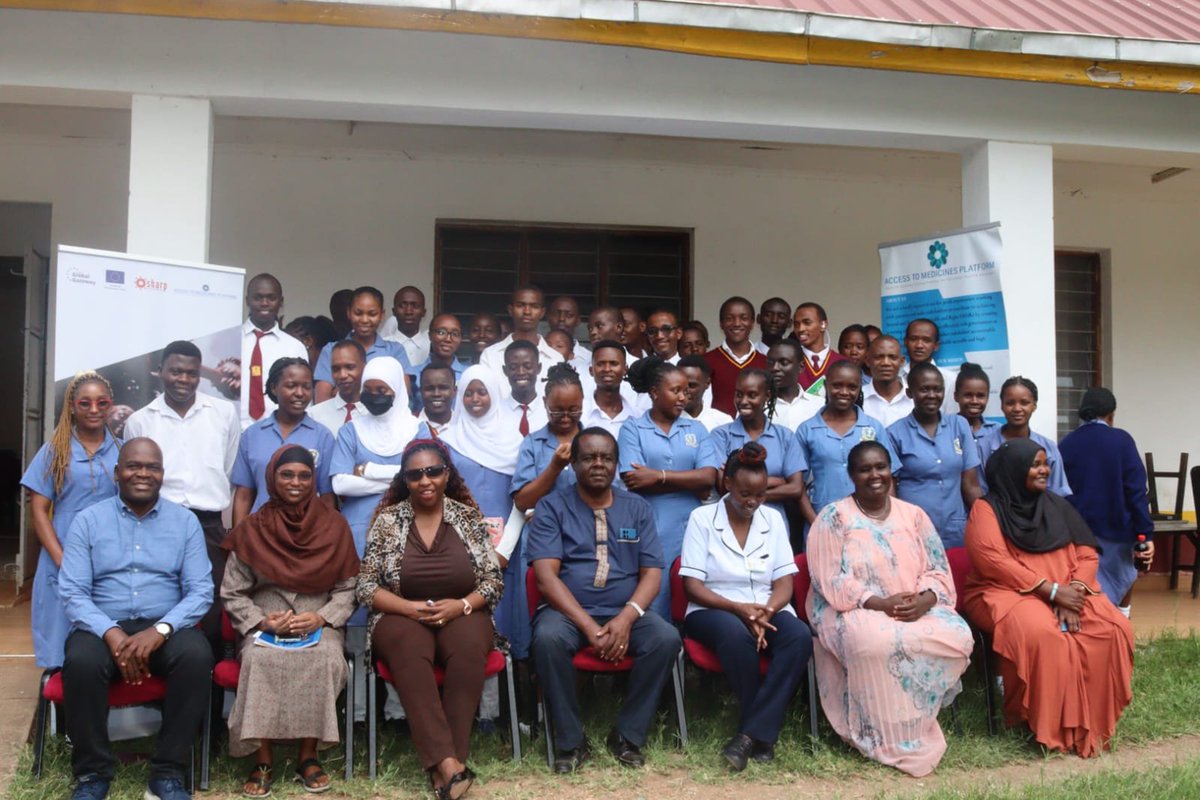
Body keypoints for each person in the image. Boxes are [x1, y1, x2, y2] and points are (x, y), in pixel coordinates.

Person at [806, 440, 973, 777]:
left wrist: (926, 599)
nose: (874, 475)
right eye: (865, 469)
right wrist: (879, 602)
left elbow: (938, 568)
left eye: (880, 467)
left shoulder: (913, 515)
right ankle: (881, 734)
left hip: (914, 604)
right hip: (852, 608)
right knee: (875, 642)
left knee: (958, 635)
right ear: (852, 475)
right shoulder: (834, 518)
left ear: (891, 469)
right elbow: (828, 578)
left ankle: (914, 721)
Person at [58, 438, 213, 800]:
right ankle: (92, 774)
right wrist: (110, 632)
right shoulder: (88, 521)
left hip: (163, 627)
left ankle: (168, 773)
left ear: (162, 474)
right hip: (101, 626)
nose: (142, 473)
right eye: (133, 465)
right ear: (117, 472)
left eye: (152, 467)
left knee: (196, 655)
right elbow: (73, 592)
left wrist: (159, 631)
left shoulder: (185, 522)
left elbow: (200, 590)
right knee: (80, 661)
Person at [963, 439, 1134, 758]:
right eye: (1035, 464)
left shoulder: (1059, 505)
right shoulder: (986, 510)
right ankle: (1045, 727)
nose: (1045, 470)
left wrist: (1076, 591)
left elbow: (1087, 553)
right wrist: (1052, 593)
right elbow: (995, 563)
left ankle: (1093, 723)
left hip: (1071, 589)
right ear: (1014, 470)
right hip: (1005, 592)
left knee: (1112, 629)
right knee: (1047, 636)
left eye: (1046, 463)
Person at [527, 428, 681, 773]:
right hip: (566, 612)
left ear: (616, 463)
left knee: (665, 638)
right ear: (574, 464)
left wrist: (626, 618)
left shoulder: (637, 508)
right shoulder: (552, 506)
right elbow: (545, 577)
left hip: (625, 611)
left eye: (606, 458)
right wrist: (587, 625)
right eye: (589, 457)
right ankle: (570, 742)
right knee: (548, 639)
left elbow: (652, 574)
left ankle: (627, 735)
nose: (598, 464)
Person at [358, 439, 503, 800]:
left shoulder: (468, 517)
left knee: (469, 648)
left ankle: (444, 770)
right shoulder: (388, 521)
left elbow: (492, 580)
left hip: (463, 610)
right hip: (401, 613)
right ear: (404, 480)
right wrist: (408, 608)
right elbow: (365, 586)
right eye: (415, 474)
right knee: (408, 649)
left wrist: (460, 606)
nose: (425, 480)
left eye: (433, 471)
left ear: (446, 474)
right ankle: (451, 766)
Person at [221, 445, 360, 796]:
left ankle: (307, 756)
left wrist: (322, 617)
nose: (295, 482)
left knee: (325, 658)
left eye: (304, 475)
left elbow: (349, 588)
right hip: (266, 621)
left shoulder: (335, 525)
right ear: (272, 478)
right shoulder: (252, 528)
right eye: (287, 475)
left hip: (318, 621)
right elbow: (232, 592)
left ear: (314, 480)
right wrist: (261, 622)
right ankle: (263, 759)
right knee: (258, 657)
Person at [679, 443, 811, 771]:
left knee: (799, 636)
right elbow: (692, 586)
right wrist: (740, 610)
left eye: (761, 494)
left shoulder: (773, 520)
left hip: (767, 606)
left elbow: (784, 583)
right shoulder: (702, 518)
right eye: (745, 494)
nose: (753, 502)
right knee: (734, 634)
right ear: (727, 484)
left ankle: (750, 735)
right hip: (712, 608)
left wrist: (765, 611)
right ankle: (762, 734)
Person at [123, 341, 240, 657]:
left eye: (191, 373)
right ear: (160, 372)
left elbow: (227, 469)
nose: (183, 379)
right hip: (157, 523)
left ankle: (211, 684)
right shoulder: (141, 421)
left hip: (209, 525)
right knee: (161, 600)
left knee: (214, 603)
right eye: (175, 371)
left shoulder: (224, 413)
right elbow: (133, 479)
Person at [21, 371, 121, 669]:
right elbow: (39, 510)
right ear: (72, 406)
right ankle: (57, 704)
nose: (93, 410)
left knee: (103, 634)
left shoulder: (121, 449)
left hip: (107, 553)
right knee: (59, 635)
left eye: (101, 403)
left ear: (110, 405)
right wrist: (62, 560)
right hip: (62, 551)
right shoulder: (56, 449)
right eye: (85, 403)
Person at [618, 359, 720, 616]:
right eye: (676, 391)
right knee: (657, 590)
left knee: (694, 585)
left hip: (691, 524)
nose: (683, 397)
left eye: (686, 391)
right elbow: (634, 480)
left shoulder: (697, 429)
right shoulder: (633, 428)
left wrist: (658, 476)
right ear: (654, 393)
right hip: (649, 521)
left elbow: (708, 477)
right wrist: (688, 482)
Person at [440, 366, 525, 650]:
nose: (475, 399)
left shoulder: (515, 442)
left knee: (502, 612)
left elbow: (522, 499)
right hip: (456, 543)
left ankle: (505, 687)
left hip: (504, 546)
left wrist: (505, 549)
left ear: (495, 395)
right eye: (468, 393)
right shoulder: (447, 441)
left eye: (482, 392)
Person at [508, 364, 587, 659]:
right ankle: (534, 678)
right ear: (544, 404)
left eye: (573, 410)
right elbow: (522, 500)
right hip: (543, 541)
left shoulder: (593, 441)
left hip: (587, 539)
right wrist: (554, 467)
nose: (565, 418)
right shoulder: (533, 443)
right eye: (557, 411)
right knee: (539, 609)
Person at [1059, 387, 1155, 613]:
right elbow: (1136, 490)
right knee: (1122, 581)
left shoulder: (1066, 444)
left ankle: (1094, 632)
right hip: (1118, 533)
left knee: (1087, 588)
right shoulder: (1122, 441)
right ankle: (1121, 627)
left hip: (1077, 536)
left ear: (1082, 413)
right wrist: (1146, 533)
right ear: (1111, 415)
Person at [886, 362, 983, 549]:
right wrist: (895, 528)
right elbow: (890, 489)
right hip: (912, 531)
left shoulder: (959, 425)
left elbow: (971, 484)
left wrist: (985, 521)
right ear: (909, 393)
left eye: (937, 389)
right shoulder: (894, 433)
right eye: (924, 389)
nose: (932, 395)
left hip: (955, 531)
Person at [796, 361, 898, 529]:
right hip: (823, 521)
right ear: (825, 385)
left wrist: (887, 521)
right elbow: (798, 485)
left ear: (860, 388)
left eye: (852, 387)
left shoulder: (873, 427)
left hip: (870, 523)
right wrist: (816, 523)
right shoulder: (807, 430)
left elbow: (889, 479)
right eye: (837, 385)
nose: (844, 392)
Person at [232, 358, 335, 524]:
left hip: (305, 536)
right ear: (274, 387)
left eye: (306, 387)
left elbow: (327, 497)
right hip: (260, 533)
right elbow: (244, 495)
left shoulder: (322, 436)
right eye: (291, 385)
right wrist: (238, 541)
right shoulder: (252, 435)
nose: (300, 393)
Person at [710, 370, 808, 533]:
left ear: (767, 396)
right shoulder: (720, 435)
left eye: (752, 395)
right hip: (729, 526)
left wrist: (745, 492)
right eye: (739, 394)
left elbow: (796, 489)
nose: (743, 401)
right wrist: (777, 481)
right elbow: (725, 486)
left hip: (774, 528)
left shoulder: (784, 436)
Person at [976, 376, 1071, 496]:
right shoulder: (983, 446)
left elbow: (1058, 493)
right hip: (995, 513)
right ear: (1002, 406)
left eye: (1024, 403)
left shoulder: (1048, 447)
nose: (1017, 409)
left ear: (1034, 406)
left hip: (1040, 513)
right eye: (1010, 403)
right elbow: (981, 491)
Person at [314, 286, 411, 403]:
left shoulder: (395, 351)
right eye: (358, 313)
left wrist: (341, 392)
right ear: (348, 312)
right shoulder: (331, 350)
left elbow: (402, 397)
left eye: (372, 314)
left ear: (382, 315)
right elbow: (322, 402)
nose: (365, 319)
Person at [241, 274, 309, 428]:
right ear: (247, 301)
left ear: (281, 302)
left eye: (271, 298)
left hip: (279, 431)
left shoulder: (294, 346)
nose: (264, 303)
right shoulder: (230, 341)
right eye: (258, 298)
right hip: (235, 430)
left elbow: (303, 394)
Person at [478, 286, 564, 381]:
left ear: (542, 312)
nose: (527, 312)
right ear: (510, 310)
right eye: (520, 305)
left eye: (534, 306)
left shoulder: (556, 359)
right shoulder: (490, 355)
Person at [703, 297, 767, 416]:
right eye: (729, 318)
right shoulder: (706, 361)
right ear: (721, 324)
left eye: (743, 318)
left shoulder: (766, 363)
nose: (737, 323)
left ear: (752, 323)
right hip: (717, 432)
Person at [407, 314, 468, 409]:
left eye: (455, 334)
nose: (448, 339)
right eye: (441, 332)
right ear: (430, 335)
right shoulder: (412, 375)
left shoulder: (469, 375)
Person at [581, 340, 639, 436]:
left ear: (625, 369)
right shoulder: (580, 414)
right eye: (600, 364)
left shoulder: (636, 416)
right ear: (591, 370)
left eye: (614, 363)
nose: (607, 369)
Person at [309, 339, 367, 435]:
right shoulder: (314, 416)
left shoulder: (376, 414)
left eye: (350, 367)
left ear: (365, 367)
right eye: (336, 369)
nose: (342, 375)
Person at [953, 362, 999, 484]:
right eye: (968, 395)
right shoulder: (947, 429)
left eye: (980, 396)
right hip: (957, 502)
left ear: (988, 397)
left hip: (992, 501)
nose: (974, 401)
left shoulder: (998, 431)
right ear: (956, 396)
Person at [901, 319, 957, 416]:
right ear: (905, 342)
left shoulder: (950, 379)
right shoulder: (897, 376)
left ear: (936, 346)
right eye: (913, 339)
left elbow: (951, 419)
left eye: (926, 340)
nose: (919, 345)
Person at [792, 302, 847, 396]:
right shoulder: (791, 362)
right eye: (797, 324)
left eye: (807, 323)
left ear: (823, 325)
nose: (800, 329)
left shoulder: (843, 363)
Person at [765, 340, 820, 432]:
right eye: (770, 363)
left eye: (784, 363)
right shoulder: (757, 406)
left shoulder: (819, 406)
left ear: (801, 367)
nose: (775, 368)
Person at [861, 335, 912, 427]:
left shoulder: (915, 399)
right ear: (868, 361)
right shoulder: (857, 399)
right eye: (878, 357)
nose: (886, 363)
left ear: (901, 361)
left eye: (892, 357)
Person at [503, 340, 548, 434]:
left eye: (527, 366)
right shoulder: (497, 412)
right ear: (505, 370)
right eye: (513, 367)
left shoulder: (548, 411)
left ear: (539, 368)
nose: (521, 372)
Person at [678, 355, 733, 432]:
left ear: (707, 383)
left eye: (692, 386)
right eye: (680, 385)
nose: (685, 391)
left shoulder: (723, 422)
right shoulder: (666, 422)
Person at [380, 286, 431, 366]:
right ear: (394, 311)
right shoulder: (382, 346)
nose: (408, 312)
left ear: (424, 312)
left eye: (415, 306)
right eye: (402, 306)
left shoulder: (432, 346)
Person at [416, 364, 457, 438]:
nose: (436, 394)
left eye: (443, 388)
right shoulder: (409, 426)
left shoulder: (464, 425)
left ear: (454, 391)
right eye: (429, 388)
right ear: (420, 391)